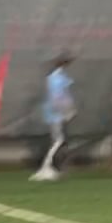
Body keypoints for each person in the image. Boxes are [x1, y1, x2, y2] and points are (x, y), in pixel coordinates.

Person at [29, 53, 77, 182]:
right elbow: (57, 98)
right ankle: (47, 167)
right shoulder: (56, 78)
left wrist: (69, 109)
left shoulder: (60, 77)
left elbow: (65, 96)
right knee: (58, 141)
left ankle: (55, 168)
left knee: (60, 141)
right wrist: (66, 111)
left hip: (58, 113)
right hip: (56, 114)